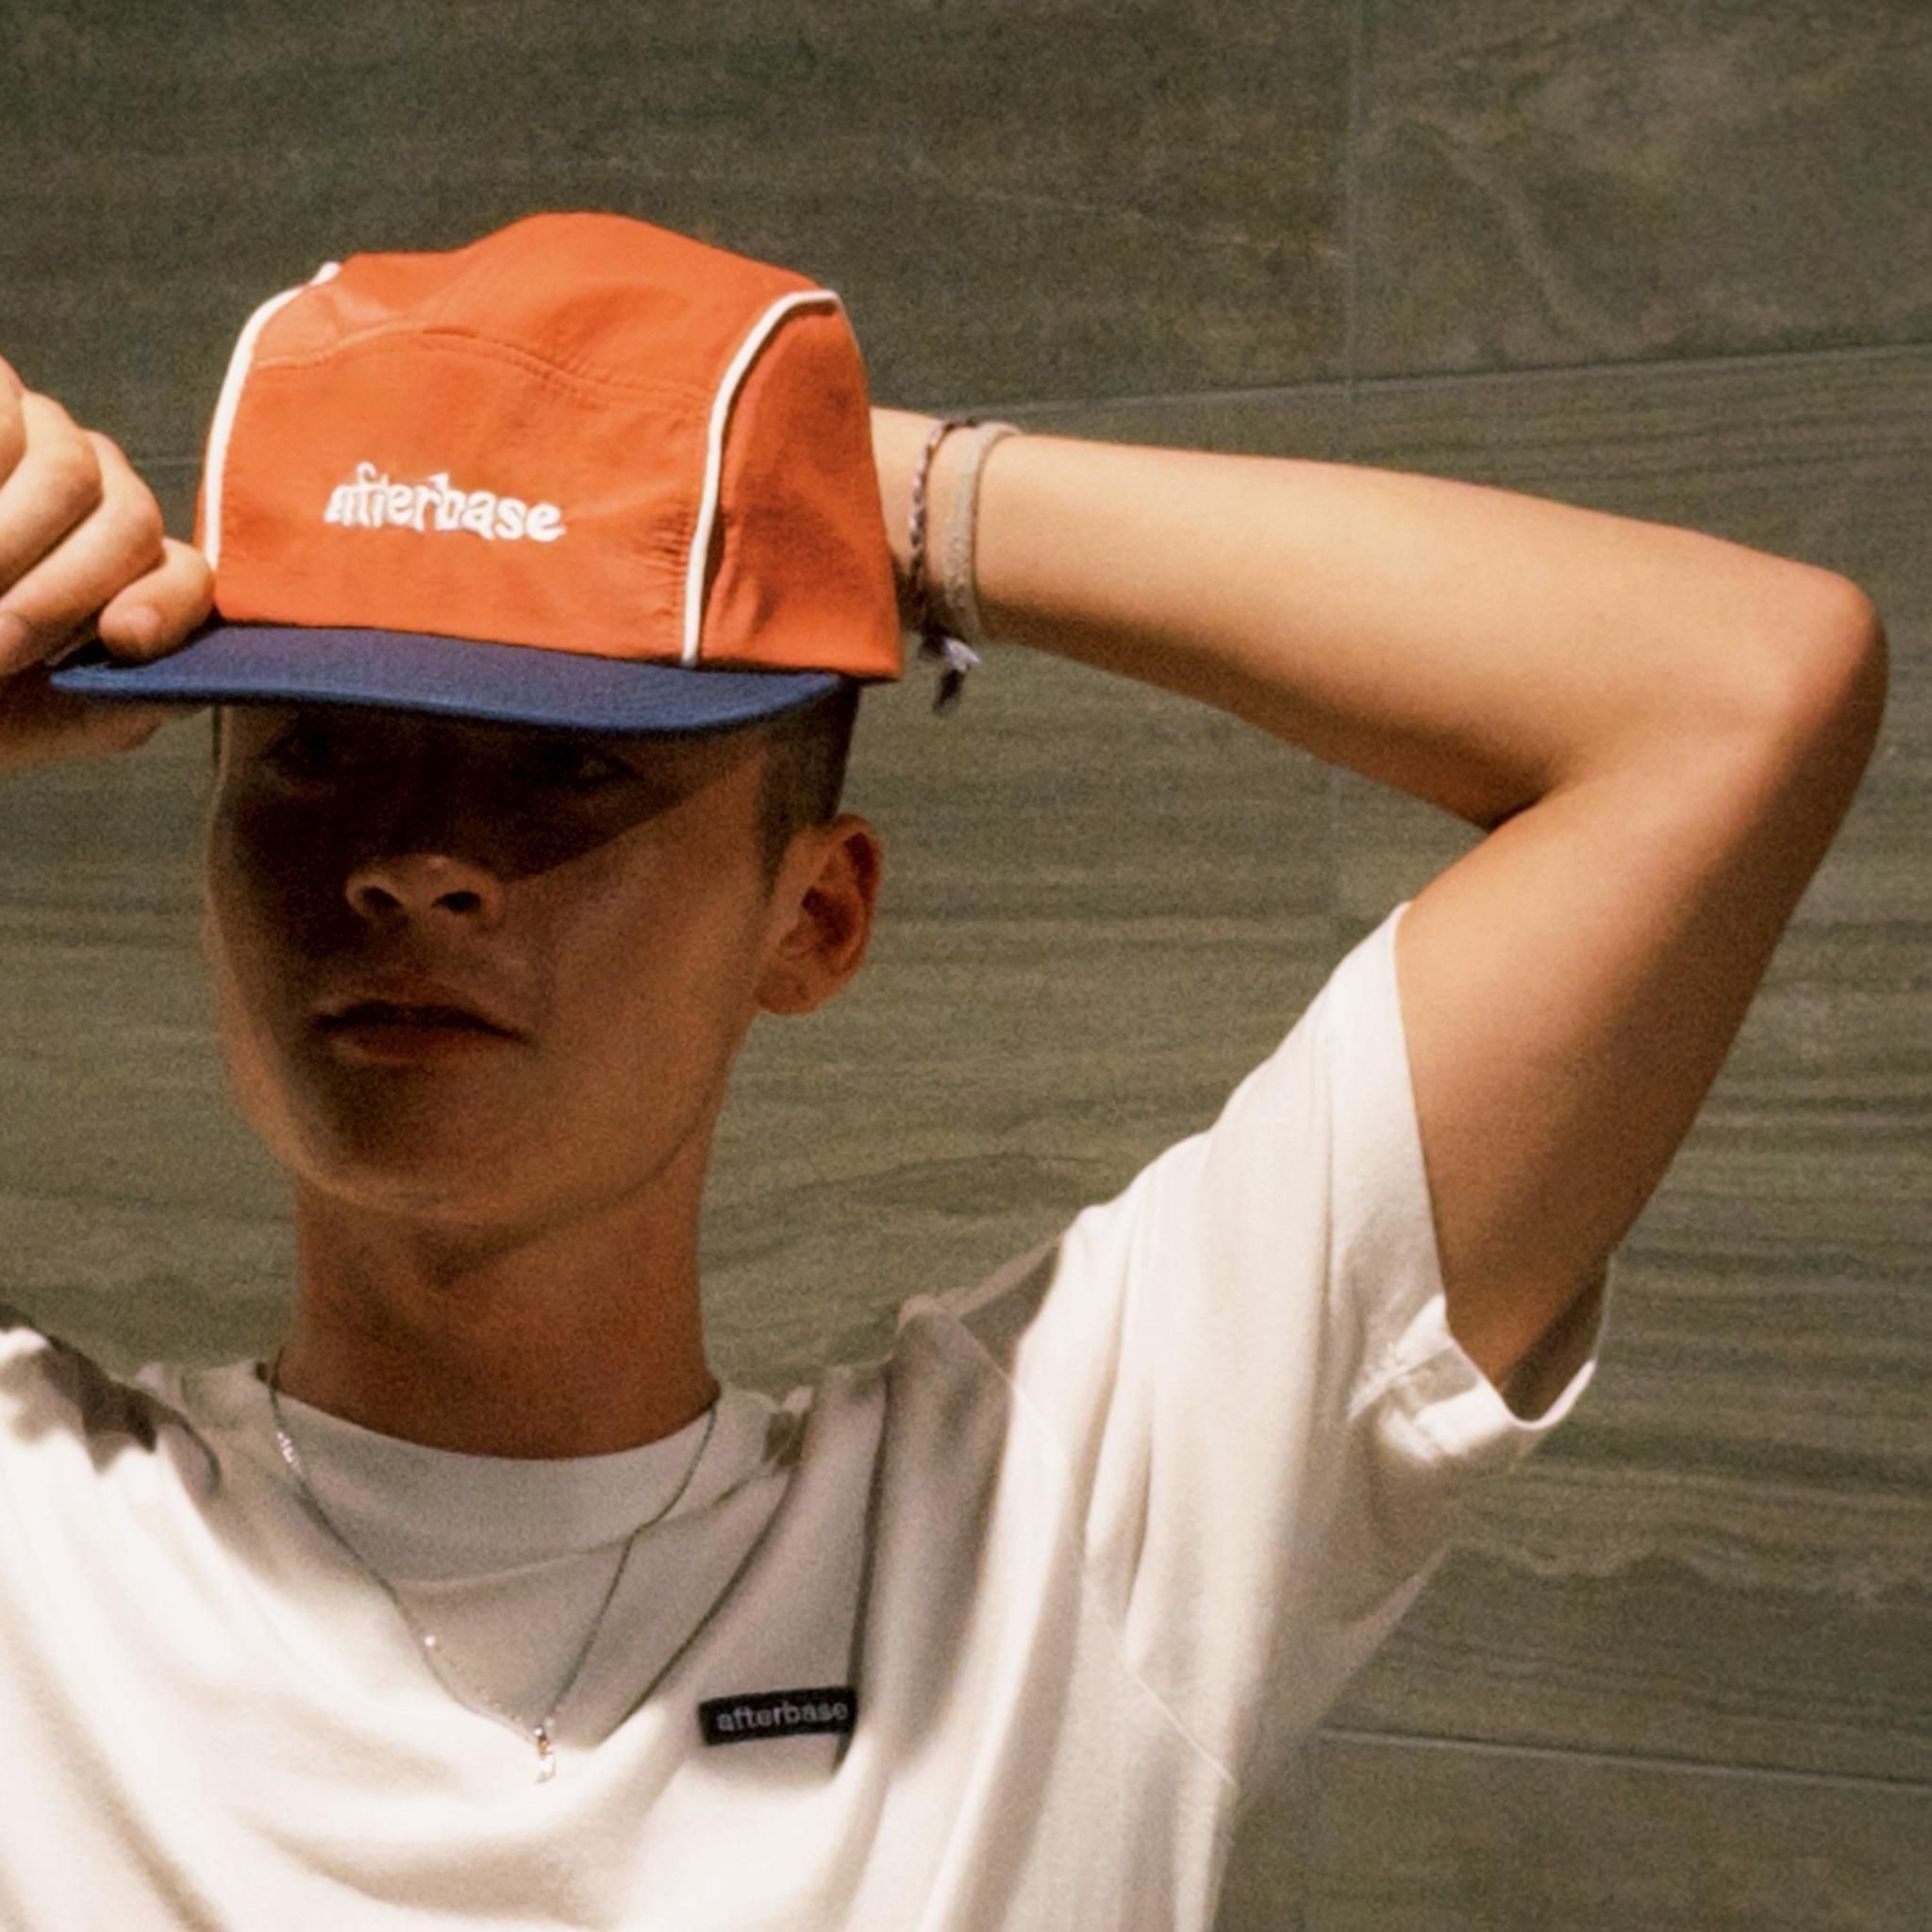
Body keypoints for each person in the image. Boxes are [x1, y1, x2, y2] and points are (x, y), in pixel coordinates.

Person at [0, 211, 1885, 1930]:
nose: (413, 861)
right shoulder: (39, 1539)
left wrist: (812, 480)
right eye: (317, 749)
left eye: (568, 762)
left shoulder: (1060, 1539)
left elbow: (1737, 688)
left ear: (815, 916)